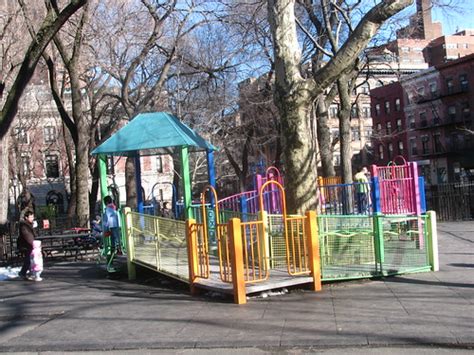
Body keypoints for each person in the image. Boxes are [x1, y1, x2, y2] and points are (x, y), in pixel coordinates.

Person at [17, 210, 36, 280]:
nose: (32, 218)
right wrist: (33, 243)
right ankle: (23, 273)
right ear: (26, 217)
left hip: (28, 244)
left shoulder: (30, 224)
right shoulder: (24, 225)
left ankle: (26, 273)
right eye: (30, 217)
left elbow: (32, 234)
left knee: (30, 259)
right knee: (29, 259)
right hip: (25, 245)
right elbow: (27, 235)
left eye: (33, 217)